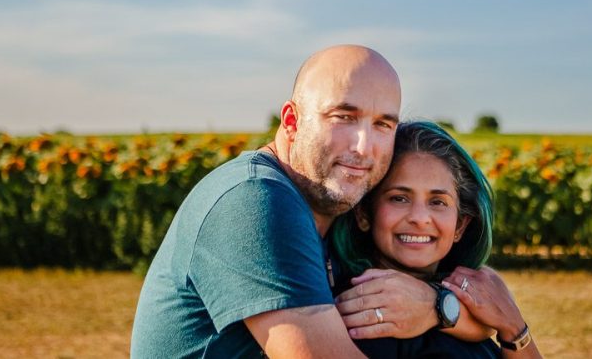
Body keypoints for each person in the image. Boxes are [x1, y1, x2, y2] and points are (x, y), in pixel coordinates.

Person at [131, 45, 444, 358]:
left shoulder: (333, 211)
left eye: (383, 125)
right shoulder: (255, 199)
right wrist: (443, 309)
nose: (364, 147)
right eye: (344, 117)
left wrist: (441, 306)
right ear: (292, 122)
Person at [330, 121, 543, 358]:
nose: (420, 218)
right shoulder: (360, 312)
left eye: (438, 202)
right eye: (399, 198)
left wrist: (515, 329)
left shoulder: (474, 299)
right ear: (364, 214)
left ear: (460, 225)